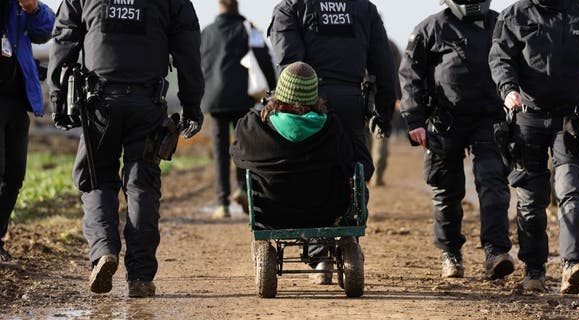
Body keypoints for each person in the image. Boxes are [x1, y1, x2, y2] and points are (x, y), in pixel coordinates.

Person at [48, 0, 204, 297]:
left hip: (99, 104)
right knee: (141, 184)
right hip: (147, 103)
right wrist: (192, 105)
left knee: (96, 180)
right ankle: (141, 276)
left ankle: (104, 251)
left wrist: (58, 98)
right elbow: (188, 51)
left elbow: (64, 38)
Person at [489, 0, 579, 293]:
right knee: (531, 198)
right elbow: (501, 59)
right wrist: (509, 89)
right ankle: (534, 270)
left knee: (573, 191)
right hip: (526, 119)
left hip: (571, 121)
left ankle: (573, 265)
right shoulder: (514, 16)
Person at [399, 0, 514, 280]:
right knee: (446, 189)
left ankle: (495, 252)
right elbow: (410, 76)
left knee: (493, 183)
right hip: (444, 121)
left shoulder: (502, 24)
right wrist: (414, 119)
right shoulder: (430, 28)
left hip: (490, 118)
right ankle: (450, 252)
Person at [268, 0, 397, 185]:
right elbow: (384, 69)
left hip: (304, 106)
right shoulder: (364, 8)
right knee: (355, 171)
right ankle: (351, 209)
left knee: (303, 173)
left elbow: (290, 68)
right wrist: (383, 115)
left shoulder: (290, 7)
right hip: (351, 104)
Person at [231, 62, 352, 230]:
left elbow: (236, 155)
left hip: (269, 214)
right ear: (314, 95)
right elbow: (348, 164)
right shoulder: (332, 128)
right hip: (323, 215)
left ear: (279, 91)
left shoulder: (252, 127)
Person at [0, 0, 54, 263]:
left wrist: (33, 8)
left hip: (16, 101)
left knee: (13, 176)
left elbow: (47, 28)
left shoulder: (18, 6)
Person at [200, 0, 250, 218]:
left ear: (219, 7)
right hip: (243, 97)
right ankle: (243, 188)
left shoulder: (207, 33)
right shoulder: (247, 30)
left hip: (215, 98)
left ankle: (223, 204)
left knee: (220, 152)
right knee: (243, 146)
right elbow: (263, 60)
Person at [367, 39, 403, 187]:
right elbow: (398, 72)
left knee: (365, 140)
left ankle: (368, 176)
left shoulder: (359, 38)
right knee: (380, 137)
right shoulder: (391, 46)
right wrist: (399, 97)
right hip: (383, 97)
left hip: (363, 97)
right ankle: (376, 177)